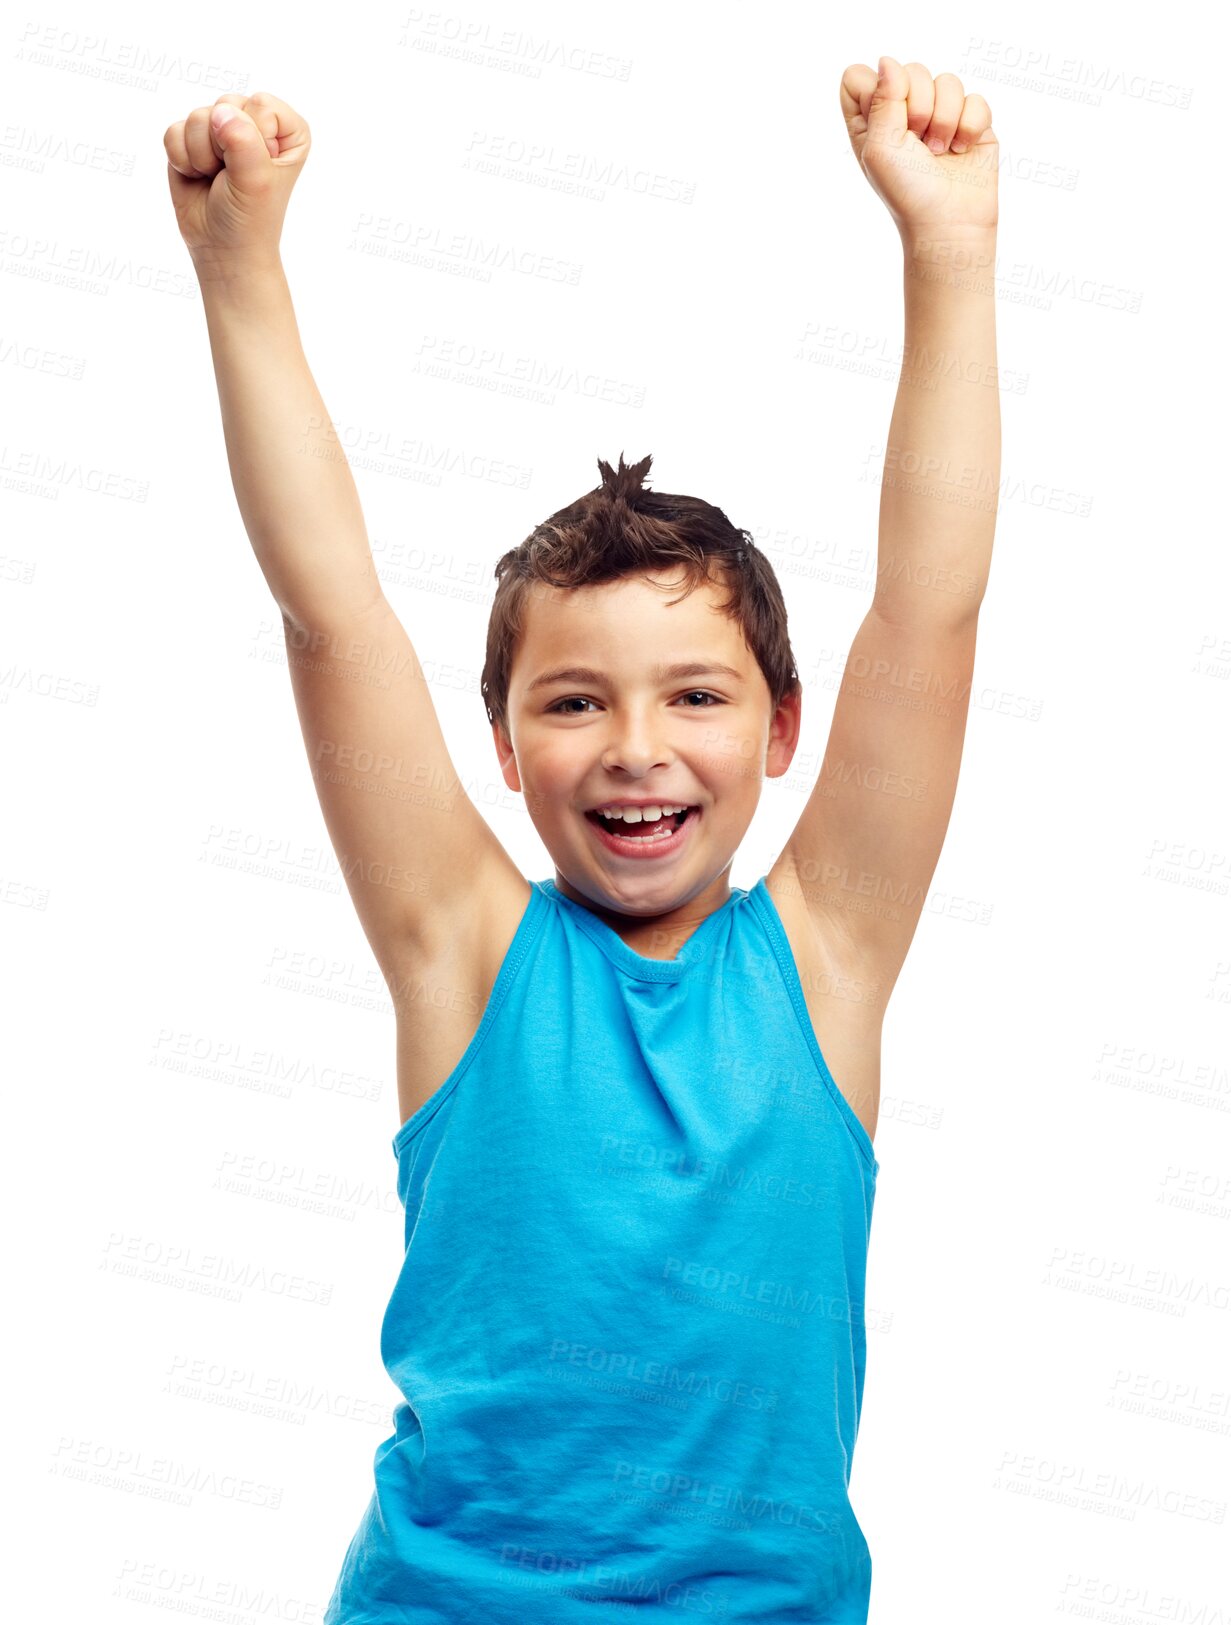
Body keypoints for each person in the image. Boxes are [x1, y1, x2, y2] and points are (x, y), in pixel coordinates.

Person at [164, 52, 999, 1624]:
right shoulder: (463, 947)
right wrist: (240, 271)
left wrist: (949, 257)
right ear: (498, 744)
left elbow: (932, 611)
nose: (634, 747)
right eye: (570, 702)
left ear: (781, 729)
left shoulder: (828, 951)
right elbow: (330, 613)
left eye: (695, 692)